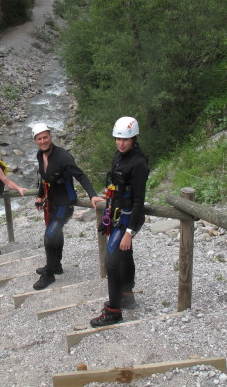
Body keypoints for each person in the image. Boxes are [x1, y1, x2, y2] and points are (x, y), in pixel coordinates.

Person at [90, 116, 149, 327]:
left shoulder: (139, 163)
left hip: (128, 219)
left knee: (112, 263)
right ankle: (126, 296)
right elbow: (116, 186)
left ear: (134, 139)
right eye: (118, 139)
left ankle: (113, 311)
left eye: (125, 140)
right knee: (124, 257)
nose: (120, 143)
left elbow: (138, 201)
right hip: (117, 214)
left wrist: (129, 232)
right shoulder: (119, 156)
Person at [32, 123, 104, 290]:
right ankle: (56, 265)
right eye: (39, 138)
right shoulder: (39, 155)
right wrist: (39, 196)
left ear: (51, 137)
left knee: (49, 236)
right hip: (51, 202)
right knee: (55, 234)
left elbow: (81, 176)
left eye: (45, 137)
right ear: (35, 141)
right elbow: (44, 179)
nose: (43, 141)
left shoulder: (63, 157)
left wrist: (92, 195)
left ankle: (48, 274)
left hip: (64, 203)